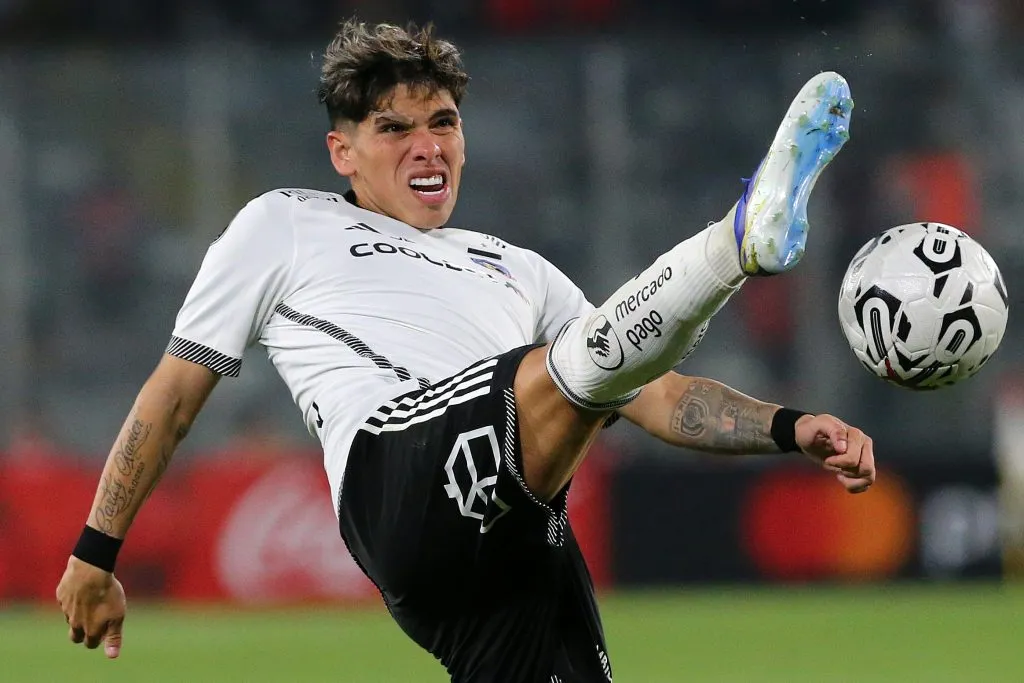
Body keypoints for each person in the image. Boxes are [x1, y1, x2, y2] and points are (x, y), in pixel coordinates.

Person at [56, 20, 872, 683]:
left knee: (583, 373)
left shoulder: (515, 266)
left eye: (442, 123)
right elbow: (172, 395)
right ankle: (734, 245)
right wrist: (96, 551)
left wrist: (792, 427)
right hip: (396, 476)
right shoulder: (282, 223)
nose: (426, 146)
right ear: (343, 153)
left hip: (514, 536)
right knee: (563, 375)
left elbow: (655, 392)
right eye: (394, 129)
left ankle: (737, 244)